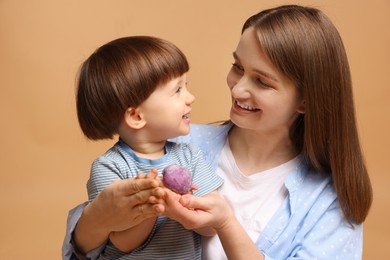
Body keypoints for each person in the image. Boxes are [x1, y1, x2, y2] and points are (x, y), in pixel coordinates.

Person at [63, 5, 373, 259]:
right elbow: (84, 252)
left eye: (262, 82)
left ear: (305, 100)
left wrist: (225, 223)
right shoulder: (172, 141)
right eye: (238, 66)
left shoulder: (330, 202)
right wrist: (99, 218)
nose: (238, 89)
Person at [67, 35, 224, 259]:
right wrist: (151, 206)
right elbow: (123, 243)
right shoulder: (109, 167)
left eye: (185, 86)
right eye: (177, 90)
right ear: (136, 116)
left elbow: (211, 226)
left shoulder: (189, 155)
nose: (191, 97)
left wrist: (181, 205)